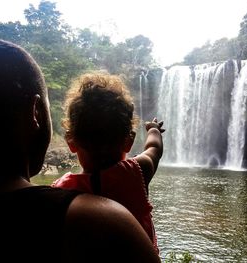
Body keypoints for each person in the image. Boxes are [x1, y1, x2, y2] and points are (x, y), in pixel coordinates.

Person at [0, 39, 161, 262]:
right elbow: (153, 149)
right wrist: (154, 130)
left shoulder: (65, 186)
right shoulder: (104, 224)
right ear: (36, 112)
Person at [52, 72, 164, 253]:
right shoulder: (136, 172)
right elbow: (154, 150)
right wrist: (153, 130)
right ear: (129, 141)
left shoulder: (61, 190)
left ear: (71, 142)